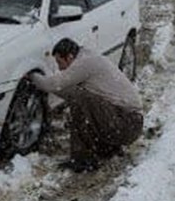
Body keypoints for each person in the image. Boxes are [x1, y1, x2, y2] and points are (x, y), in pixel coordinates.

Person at [28, 38, 144, 172]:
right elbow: (65, 90)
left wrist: (32, 77)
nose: (60, 68)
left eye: (60, 62)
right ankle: (106, 148)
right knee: (82, 98)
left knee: (80, 98)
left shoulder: (85, 63)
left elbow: (55, 84)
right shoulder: (88, 57)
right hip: (126, 121)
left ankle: (83, 160)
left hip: (127, 125)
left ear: (70, 57)